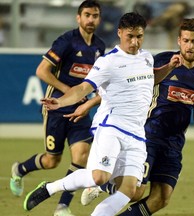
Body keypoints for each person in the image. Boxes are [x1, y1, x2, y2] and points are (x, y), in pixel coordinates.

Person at [23, 12, 182, 216]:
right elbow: (83, 88)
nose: (135, 42)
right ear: (120, 33)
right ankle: (50, 188)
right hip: (112, 127)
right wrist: (60, 101)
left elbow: (150, 78)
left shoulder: (146, 57)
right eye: (130, 36)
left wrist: (169, 67)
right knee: (99, 177)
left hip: (137, 134)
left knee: (130, 190)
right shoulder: (108, 62)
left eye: (139, 36)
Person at [81, 18, 194, 215]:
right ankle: (99, 184)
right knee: (136, 192)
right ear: (179, 41)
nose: (190, 46)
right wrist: (89, 102)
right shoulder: (162, 61)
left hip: (174, 143)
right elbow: (125, 84)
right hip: (150, 136)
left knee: (162, 198)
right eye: (186, 40)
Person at [10, 1, 105, 215]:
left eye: (95, 15)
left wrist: (85, 97)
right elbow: (42, 71)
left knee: (81, 156)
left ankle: (62, 206)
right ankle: (20, 169)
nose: (91, 19)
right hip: (56, 110)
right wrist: (69, 92)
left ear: (99, 19)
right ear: (78, 18)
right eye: (87, 15)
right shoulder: (66, 42)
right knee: (52, 161)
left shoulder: (100, 47)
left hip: (80, 112)